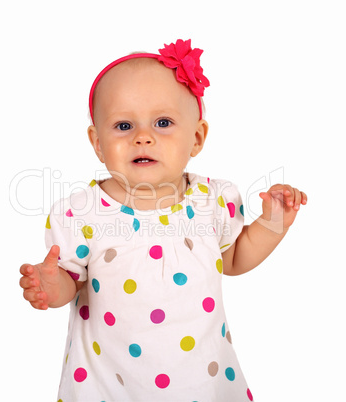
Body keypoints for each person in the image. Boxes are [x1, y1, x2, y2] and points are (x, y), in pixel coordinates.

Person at [19, 39, 307, 401]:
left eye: (163, 122)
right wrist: (52, 285)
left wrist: (272, 223)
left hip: (200, 378)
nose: (143, 137)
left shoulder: (213, 201)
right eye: (123, 126)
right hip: (110, 383)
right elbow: (70, 283)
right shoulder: (82, 212)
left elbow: (234, 259)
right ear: (97, 142)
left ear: (197, 138)